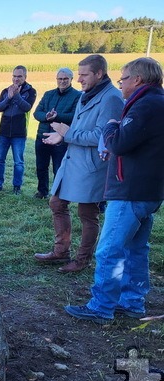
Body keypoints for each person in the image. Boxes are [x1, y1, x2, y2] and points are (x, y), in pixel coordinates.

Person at [65, 57, 164, 324]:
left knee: (109, 250)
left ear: (138, 80)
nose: (121, 85)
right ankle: (132, 302)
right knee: (136, 249)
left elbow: (118, 141)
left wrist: (111, 126)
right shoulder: (157, 102)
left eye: (123, 79)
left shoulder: (145, 105)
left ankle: (101, 306)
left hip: (131, 190)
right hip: (149, 190)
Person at [34, 54, 123, 273]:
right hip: (73, 161)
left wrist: (68, 133)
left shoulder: (111, 97)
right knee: (56, 203)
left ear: (99, 74)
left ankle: (82, 260)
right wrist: (61, 136)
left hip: (92, 166)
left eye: (83, 74)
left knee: (87, 213)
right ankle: (61, 251)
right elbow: (77, 126)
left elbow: (103, 136)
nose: (79, 79)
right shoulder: (88, 93)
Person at [32, 68, 81, 199]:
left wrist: (57, 116)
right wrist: (46, 116)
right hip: (42, 135)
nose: (62, 81)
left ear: (71, 79)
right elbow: (37, 113)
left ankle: (58, 194)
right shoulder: (48, 94)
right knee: (41, 166)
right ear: (56, 79)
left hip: (61, 138)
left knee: (59, 168)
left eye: (65, 79)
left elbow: (74, 116)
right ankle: (42, 191)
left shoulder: (77, 96)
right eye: (60, 79)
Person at [0, 65, 37, 195]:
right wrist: (8, 97)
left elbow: (26, 107)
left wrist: (16, 96)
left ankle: (17, 186)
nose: (16, 79)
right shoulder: (6, 91)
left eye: (19, 76)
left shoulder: (30, 91)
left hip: (19, 132)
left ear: (25, 77)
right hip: (4, 131)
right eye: (14, 76)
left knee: (18, 162)